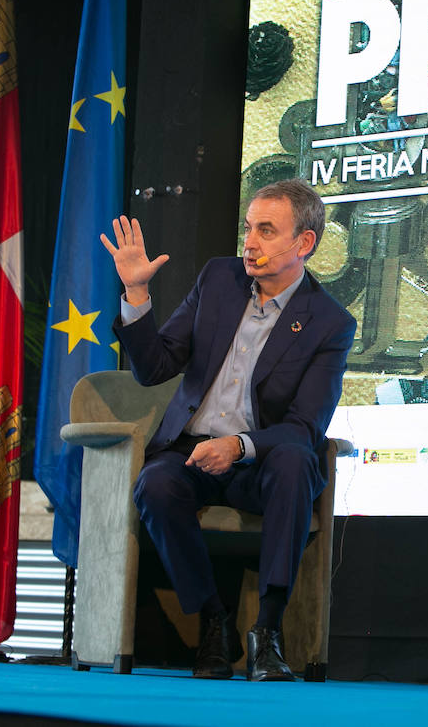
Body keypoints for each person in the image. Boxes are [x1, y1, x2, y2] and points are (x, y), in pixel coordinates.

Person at [101, 178, 355, 682]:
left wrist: (238, 446)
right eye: (248, 228)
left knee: (294, 460)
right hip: (192, 452)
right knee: (155, 483)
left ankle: (268, 633)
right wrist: (136, 292)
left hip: (259, 462)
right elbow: (155, 368)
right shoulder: (219, 279)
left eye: (266, 230)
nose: (250, 243)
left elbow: (305, 427)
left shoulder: (329, 322)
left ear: (304, 244)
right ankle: (215, 623)